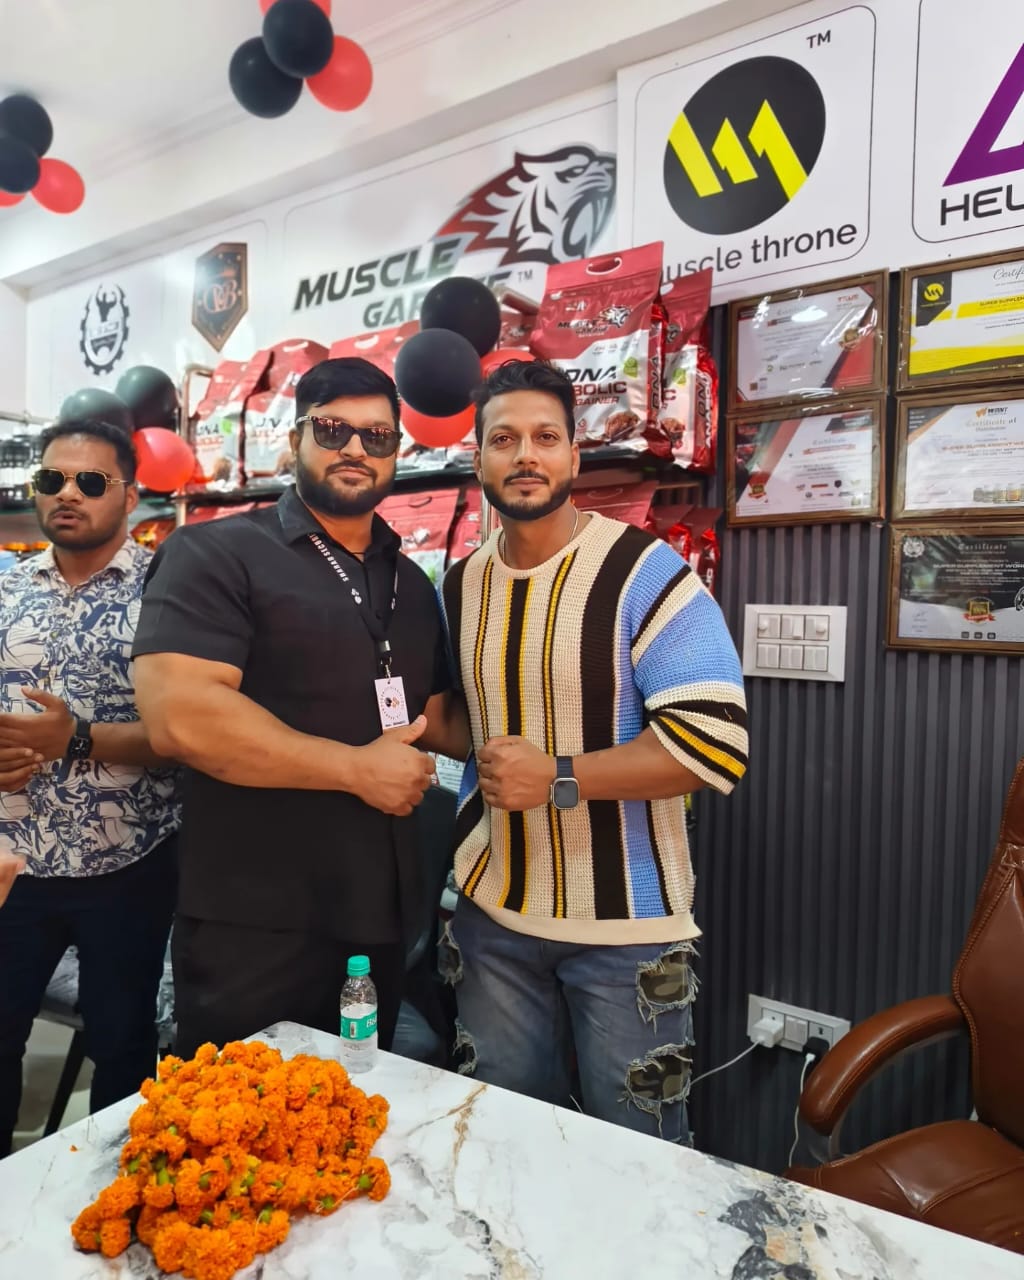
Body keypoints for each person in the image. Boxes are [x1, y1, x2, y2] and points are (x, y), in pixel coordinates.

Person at [439, 360, 748, 1144]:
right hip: (490, 917)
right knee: (498, 1143)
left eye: (546, 437)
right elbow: (478, 725)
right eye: (504, 439)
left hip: (626, 928)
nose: (525, 455)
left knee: (640, 1158)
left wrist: (558, 778)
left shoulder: (647, 572)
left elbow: (713, 746)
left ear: (576, 455)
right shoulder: (459, 585)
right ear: (478, 460)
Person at [132, 357, 468, 1058]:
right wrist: (355, 770)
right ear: (295, 440)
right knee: (238, 1115)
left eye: (377, 436)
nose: (356, 448)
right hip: (254, 918)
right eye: (333, 429)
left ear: (397, 451)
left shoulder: (410, 581)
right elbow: (180, 718)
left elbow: (434, 717)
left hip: (379, 921)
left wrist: (560, 752)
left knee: (354, 1109)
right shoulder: (216, 552)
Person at [0, 418, 180, 1157]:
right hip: (13, 864)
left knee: (124, 1048)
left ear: (130, 496)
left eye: (91, 481)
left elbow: (187, 735)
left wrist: (71, 738)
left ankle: (114, 1202)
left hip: (128, 865)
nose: (67, 494)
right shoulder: (6, 587)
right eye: (52, 479)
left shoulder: (170, 595)